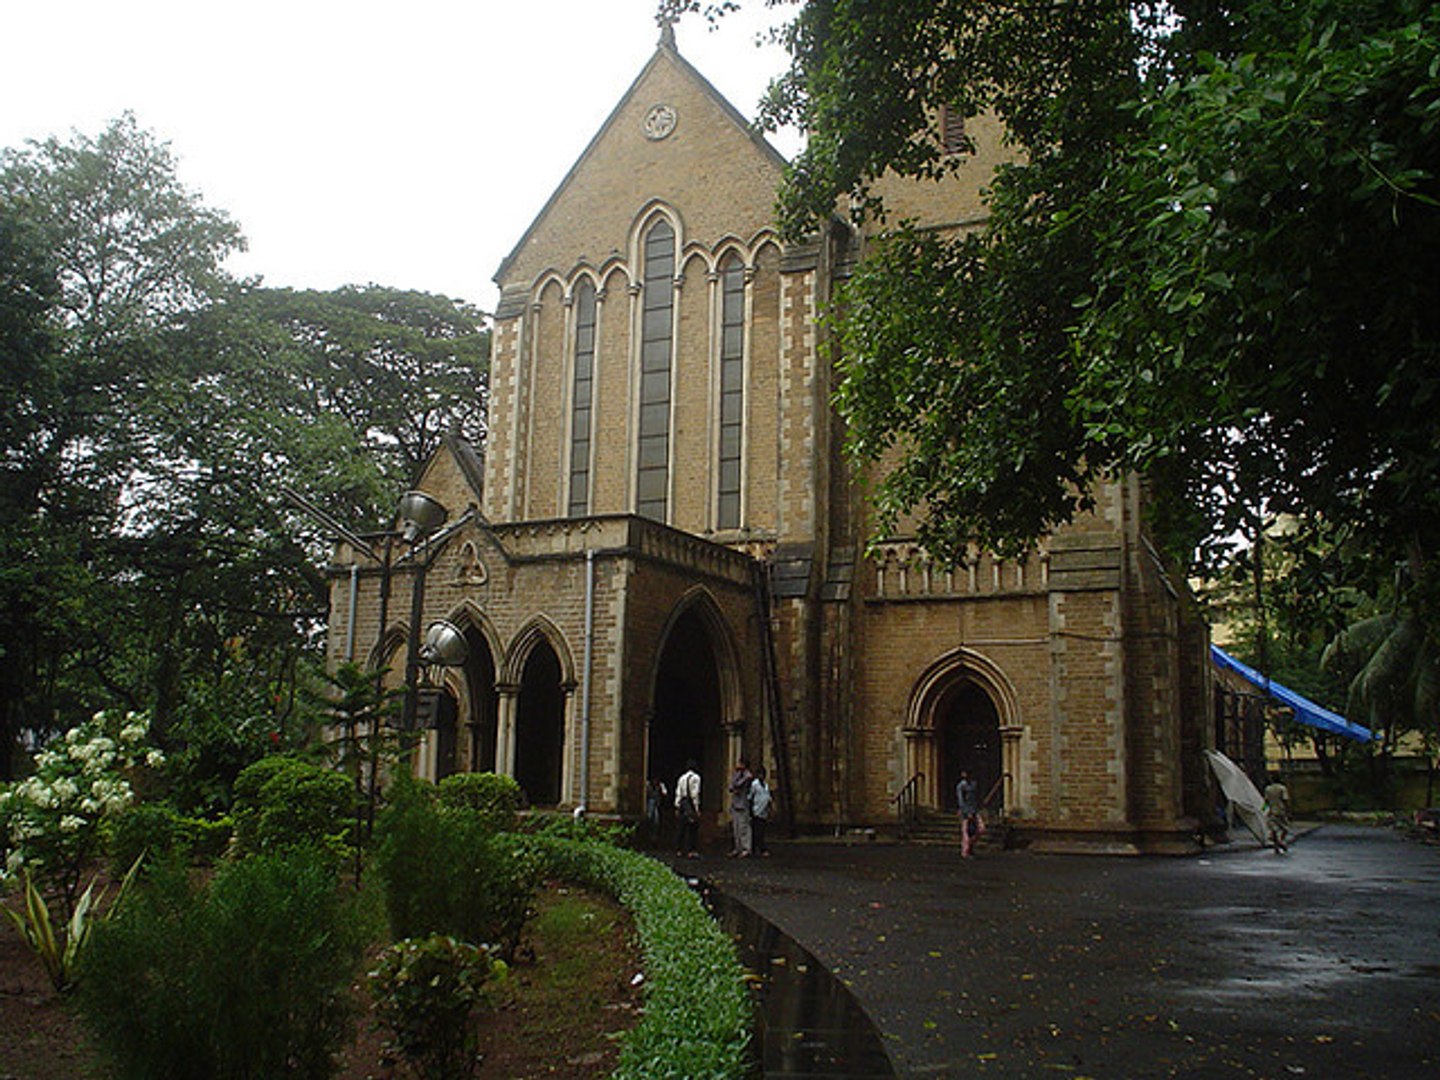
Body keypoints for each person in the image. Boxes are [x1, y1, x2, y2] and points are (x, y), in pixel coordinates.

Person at [674, 759, 701, 858]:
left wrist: (677, 806)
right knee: (692, 828)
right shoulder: (696, 778)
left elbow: (678, 792)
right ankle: (691, 850)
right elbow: (695, 794)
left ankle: (679, 849)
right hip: (690, 803)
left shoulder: (682, 778)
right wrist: (696, 808)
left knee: (681, 827)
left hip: (682, 803)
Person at [728, 758, 755, 856]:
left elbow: (739, 784)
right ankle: (738, 847)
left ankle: (746, 848)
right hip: (735, 803)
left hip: (743, 804)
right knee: (736, 828)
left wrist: (735, 786)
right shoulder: (737, 774)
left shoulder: (748, 776)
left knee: (744, 827)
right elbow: (731, 786)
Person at [1263, 772, 1291, 854]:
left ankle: (1276, 846)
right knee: (1285, 829)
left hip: (1271, 811)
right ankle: (1281, 841)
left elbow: (1266, 801)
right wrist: (1288, 811)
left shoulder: (1268, 789)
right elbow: (1285, 800)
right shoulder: (1282, 788)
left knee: (1274, 830)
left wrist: (1263, 809)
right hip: (1281, 811)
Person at [956, 770, 981, 858]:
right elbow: (961, 800)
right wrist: (966, 812)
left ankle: (970, 846)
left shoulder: (973, 784)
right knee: (966, 831)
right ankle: (966, 851)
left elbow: (975, 797)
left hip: (974, 810)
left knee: (979, 829)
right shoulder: (961, 786)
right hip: (966, 811)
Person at [749, 765, 773, 856]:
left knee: (762, 831)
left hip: (764, 812)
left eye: (763, 774)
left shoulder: (766, 785)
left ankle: (760, 848)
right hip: (756, 810)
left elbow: (768, 797)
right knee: (756, 831)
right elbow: (750, 797)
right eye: (760, 774)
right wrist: (751, 811)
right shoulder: (754, 784)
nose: (761, 776)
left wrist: (769, 808)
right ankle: (756, 848)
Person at [645, 776, 668, 842]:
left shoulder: (659, 786)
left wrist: (662, 787)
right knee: (650, 817)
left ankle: (653, 836)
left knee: (656, 820)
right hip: (650, 802)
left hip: (657, 804)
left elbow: (665, 793)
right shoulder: (648, 785)